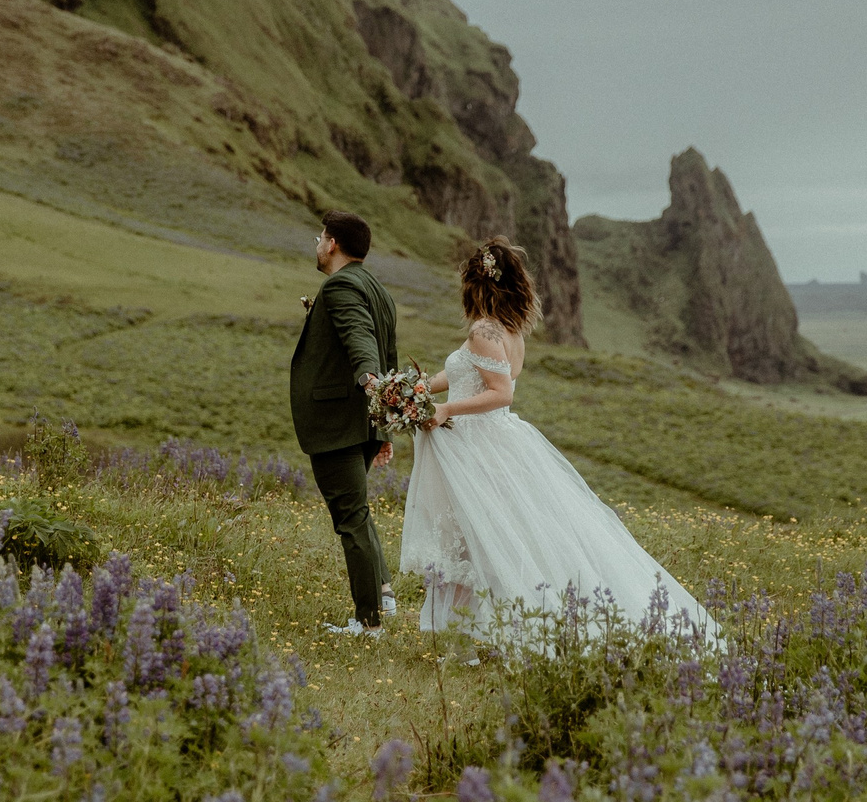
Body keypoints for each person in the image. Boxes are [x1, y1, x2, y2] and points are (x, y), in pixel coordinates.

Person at [399, 237, 715, 649]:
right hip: (497, 442)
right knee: (485, 540)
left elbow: (500, 393)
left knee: (470, 542)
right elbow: (465, 374)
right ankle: (471, 638)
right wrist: (416, 387)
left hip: (477, 447)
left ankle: (465, 644)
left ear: (474, 284)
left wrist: (444, 411)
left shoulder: (483, 330)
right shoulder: (508, 332)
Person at [289, 209, 398, 634]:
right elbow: (386, 351)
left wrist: (369, 381)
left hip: (338, 421)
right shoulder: (379, 290)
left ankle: (368, 623)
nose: (317, 244)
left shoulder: (339, 286)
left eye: (320, 237)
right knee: (358, 512)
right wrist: (384, 427)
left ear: (332, 244)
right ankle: (383, 594)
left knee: (350, 518)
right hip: (365, 421)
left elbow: (363, 342)